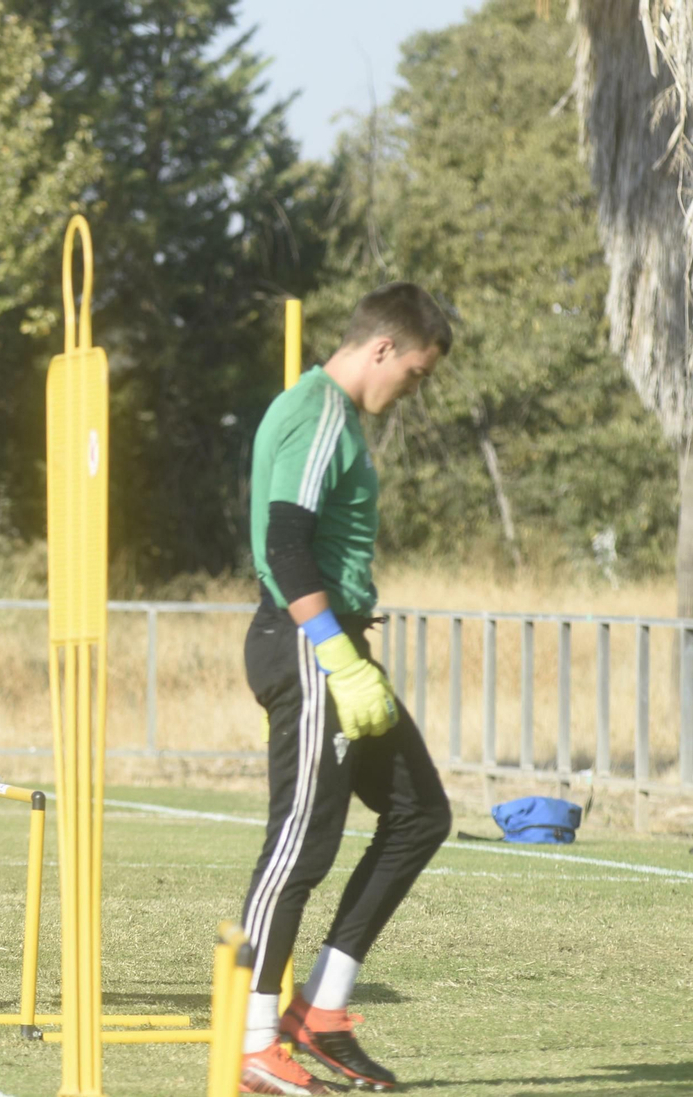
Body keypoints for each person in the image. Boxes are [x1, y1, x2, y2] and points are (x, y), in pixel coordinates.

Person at [237, 283, 455, 1095]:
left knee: (419, 813)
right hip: (308, 643)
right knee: (301, 843)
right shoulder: (321, 409)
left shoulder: (338, 417)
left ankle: (320, 1016)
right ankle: (254, 1040)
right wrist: (336, 653)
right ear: (383, 350)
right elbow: (286, 544)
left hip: (336, 644)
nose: (412, 391)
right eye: (417, 374)